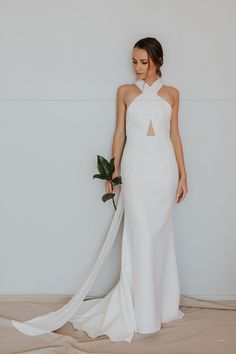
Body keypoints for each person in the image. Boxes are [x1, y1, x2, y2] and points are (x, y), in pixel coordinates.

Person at [11, 37, 188, 343]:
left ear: (158, 60)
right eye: (134, 61)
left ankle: (159, 306)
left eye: (143, 62)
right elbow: (119, 132)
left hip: (164, 172)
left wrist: (184, 175)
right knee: (140, 236)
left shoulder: (172, 94)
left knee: (160, 236)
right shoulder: (125, 91)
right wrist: (115, 169)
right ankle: (141, 312)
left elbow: (175, 135)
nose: (137, 68)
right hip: (136, 170)